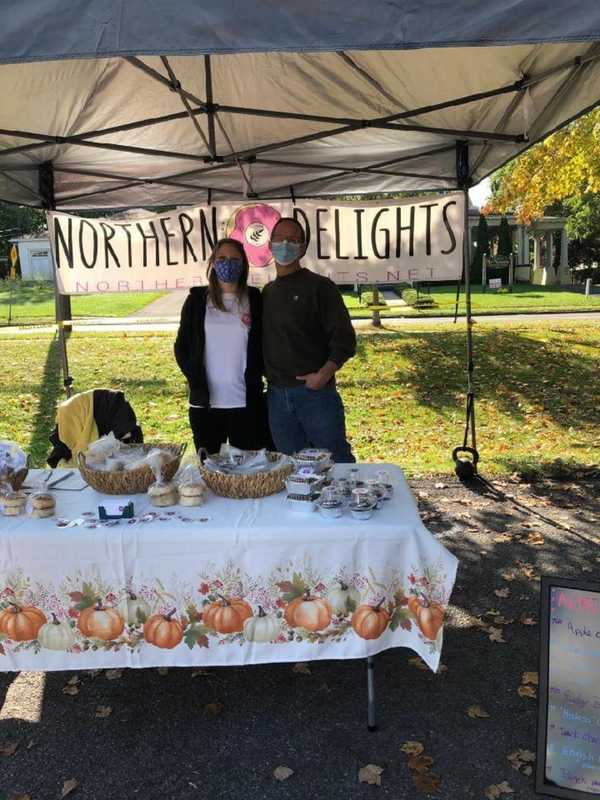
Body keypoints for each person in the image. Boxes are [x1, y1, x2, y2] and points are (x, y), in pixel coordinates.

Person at [262, 217, 356, 463]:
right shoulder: (267, 292)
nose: (285, 244)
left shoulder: (320, 287)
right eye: (279, 239)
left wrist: (324, 375)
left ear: (302, 248)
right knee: (291, 468)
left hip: (315, 395)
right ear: (269, 245)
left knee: (336, 463)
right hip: (276, 397)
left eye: (292, 240)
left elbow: (344, 338)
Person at [174, 238, 271, 455]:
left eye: (235, 259)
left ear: (244, 265)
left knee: (248, 473)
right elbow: (182, 347)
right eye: (222, 258)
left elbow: (263, 343)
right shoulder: (197, 301)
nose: (228, 263)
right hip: (206, 405)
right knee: (210, 473)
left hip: (246, 404)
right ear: (213, 262)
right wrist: (194, 377)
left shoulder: (254, 299)